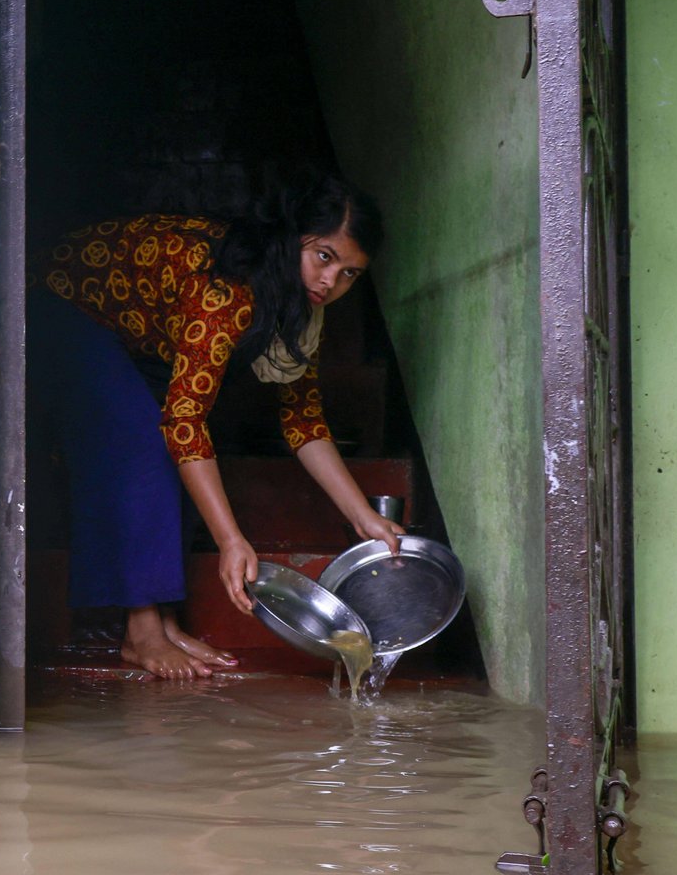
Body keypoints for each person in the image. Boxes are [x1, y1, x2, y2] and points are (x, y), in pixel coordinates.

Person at [32, 170, 402, 681]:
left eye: (349, 274)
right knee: (142, 437)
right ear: (290, 238)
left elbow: (303, 421)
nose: (330, 282)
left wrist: (365, 518)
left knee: (168, 445)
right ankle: (141, 634)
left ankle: (161, 622)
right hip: (63, 304)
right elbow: (184, 421)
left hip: (143, 330)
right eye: (324, 256)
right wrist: (231, 540)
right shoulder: (225, 290)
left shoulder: (295, 306)